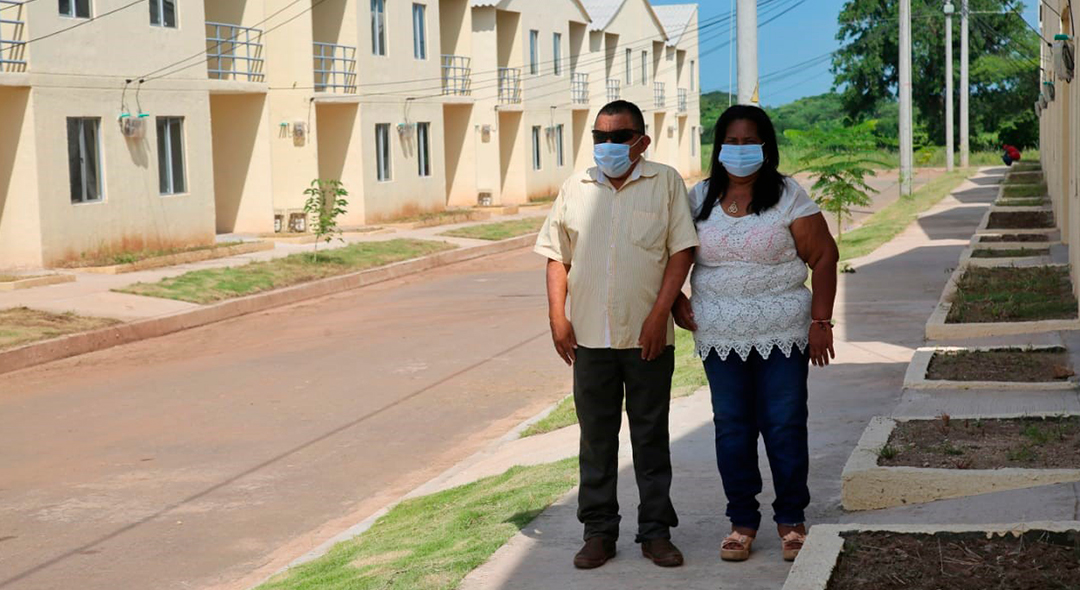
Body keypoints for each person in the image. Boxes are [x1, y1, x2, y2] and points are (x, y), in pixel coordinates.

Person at [535, 100, 699, 570]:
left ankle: (655, 533)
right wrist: (556, 317)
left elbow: (680, 252)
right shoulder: (575, 187)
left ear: (641, 141)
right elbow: (556, 256)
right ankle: (599, 533)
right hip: (588, 338)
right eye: (600, 137)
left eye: (619, 136)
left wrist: (658, 314)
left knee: (651, 438)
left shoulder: (665, 182)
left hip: (648, 338)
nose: (608, 145)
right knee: (597, 441)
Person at [673, 105, 839, 563]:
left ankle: (792, 520)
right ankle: (742, 522)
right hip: (718, 337)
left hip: (784, 334)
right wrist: (673, 300)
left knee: (784, 424)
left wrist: (820, 322)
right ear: (719, 146)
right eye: (732, 140)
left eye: (750, 141)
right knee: (732, 429)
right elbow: (672, 254)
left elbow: (824, 257)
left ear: (765, 146)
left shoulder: (788, 196)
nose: (740, 149)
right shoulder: (698, 198)